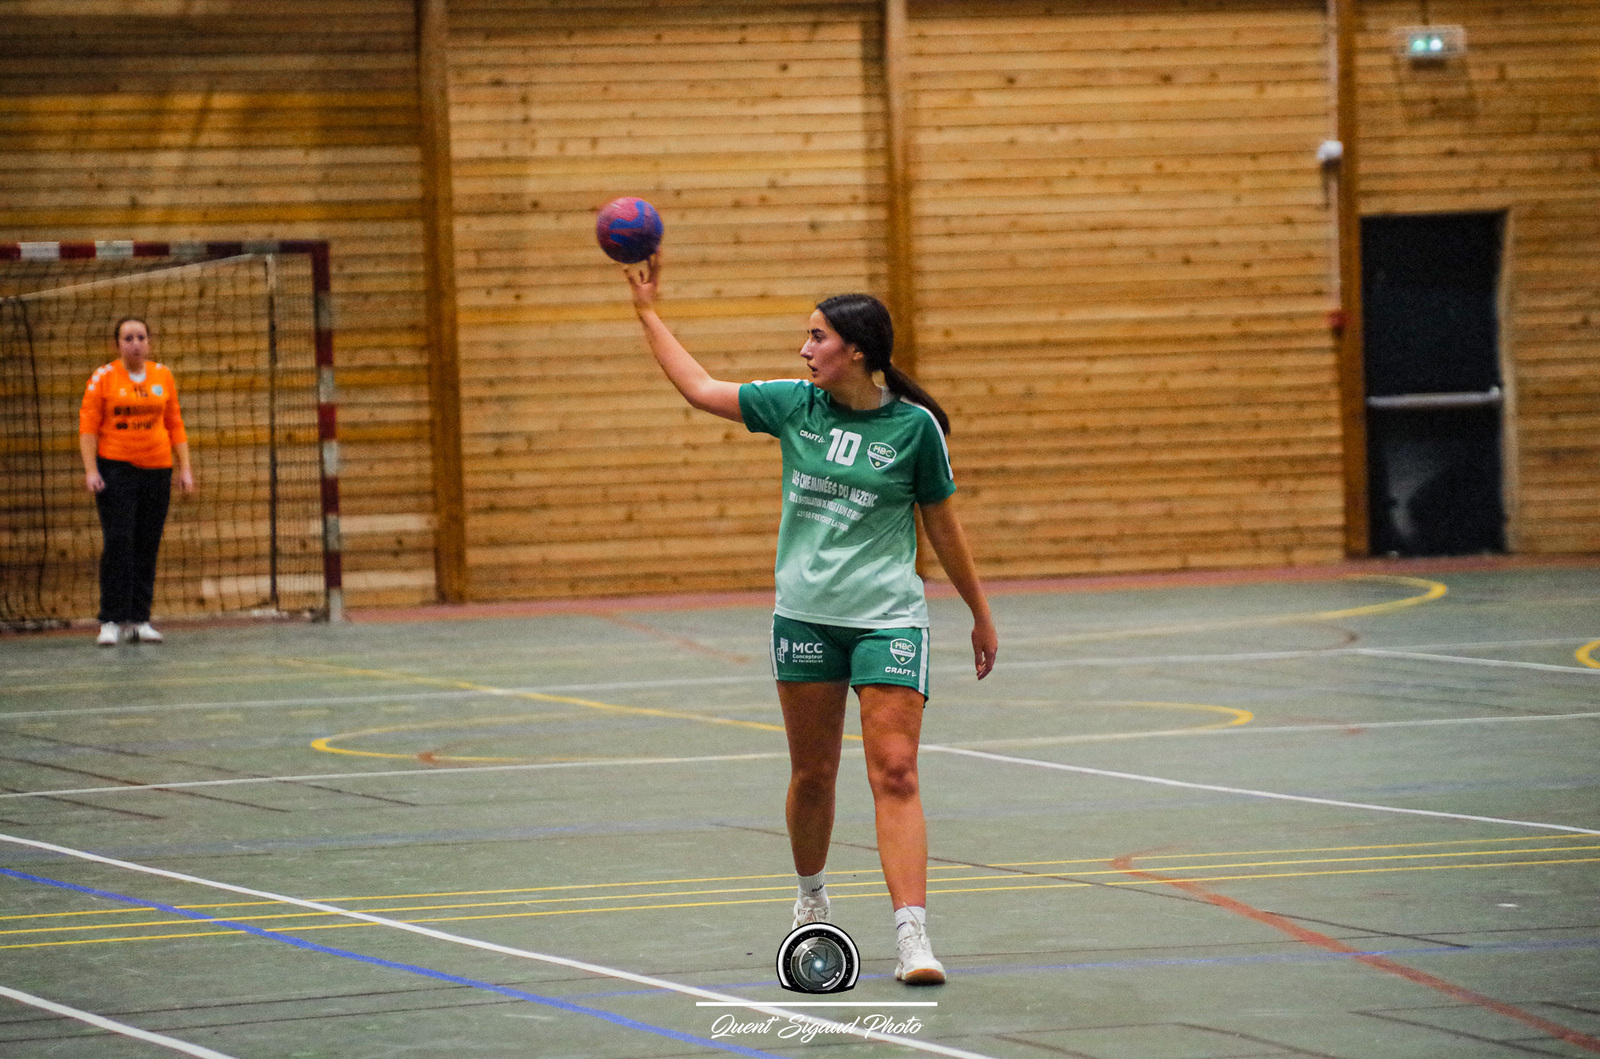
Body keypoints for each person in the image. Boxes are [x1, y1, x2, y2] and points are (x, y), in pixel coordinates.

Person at [623, 254, 998, 985]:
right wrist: (646, 312)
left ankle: (913, 936)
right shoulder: (794, 405)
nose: (805, 349)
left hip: (889, 618)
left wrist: (980, 614)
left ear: (856, 350)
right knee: (814, 775)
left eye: (817, 337)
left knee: (895, 769)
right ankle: (811, 897)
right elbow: (701, 388)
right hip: (805, 618)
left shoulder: (916, 429)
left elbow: (945, 529)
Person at [79, 316, 194, 645]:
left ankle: (139, 619)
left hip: (158, 469)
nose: (135, 343)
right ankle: (111, 620)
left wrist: (184, 468)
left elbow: (175, 423)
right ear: (118, 344)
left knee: (148, 543)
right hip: (116, 469)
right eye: (128, 338)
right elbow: (87, 428)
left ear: (149, 341)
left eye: (141, 337)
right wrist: (91, 470)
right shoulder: (104, 378)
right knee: (119, 542)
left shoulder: (163, 376)